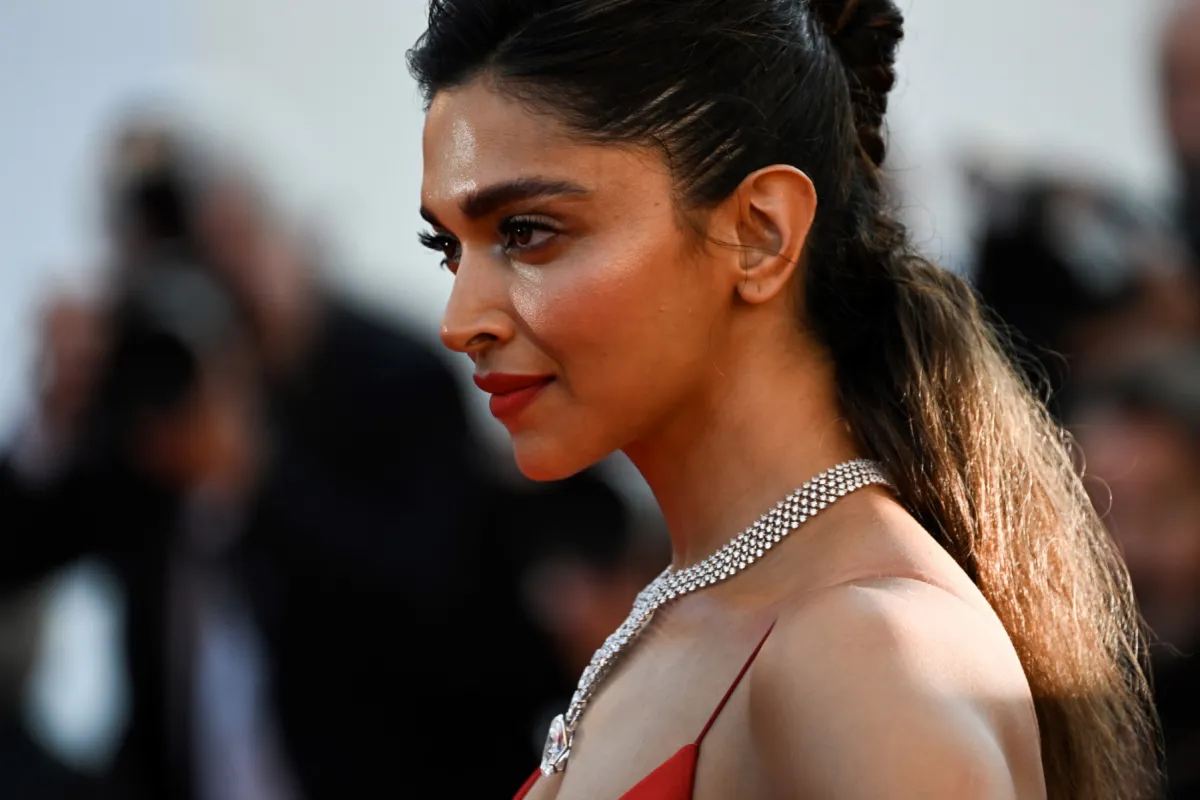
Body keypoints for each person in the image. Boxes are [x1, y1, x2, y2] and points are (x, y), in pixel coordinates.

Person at [407, 1, 1159, 798]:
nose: (460, 323)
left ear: (760, 233)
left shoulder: (864, 650)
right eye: (451, 248)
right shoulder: (708, 607)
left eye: (527, 232)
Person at [0, 118, 554, 798]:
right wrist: (51, 423)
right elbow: (18, 553)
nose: (207, 284)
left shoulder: (387, 378)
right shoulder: (147, 394)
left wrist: (253, 476)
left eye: (226, 243)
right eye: (167, 258)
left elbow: (449, 625)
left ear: (284, 238)